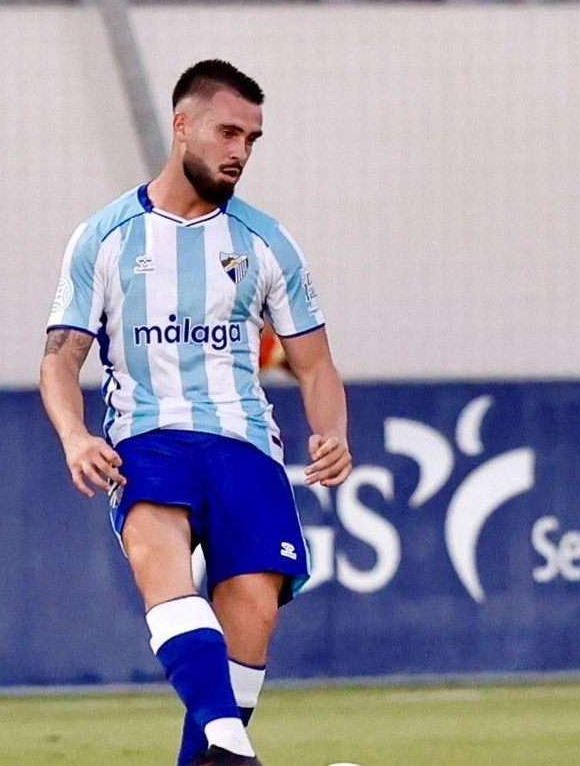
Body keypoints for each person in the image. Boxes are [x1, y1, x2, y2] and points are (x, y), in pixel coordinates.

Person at [38, 59, 353, 766]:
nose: (241, 151)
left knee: (252, 622)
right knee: (163, 568)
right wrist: (75, 434)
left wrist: (332, 430)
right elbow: (59, 359)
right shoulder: (105, 237)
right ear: (182, 126)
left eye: (252, 139)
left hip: (245, 445)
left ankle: (223, 747)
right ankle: (235, 749)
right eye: (228, 132)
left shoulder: (267, 243)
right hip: (147, 439)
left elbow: (315, 364)